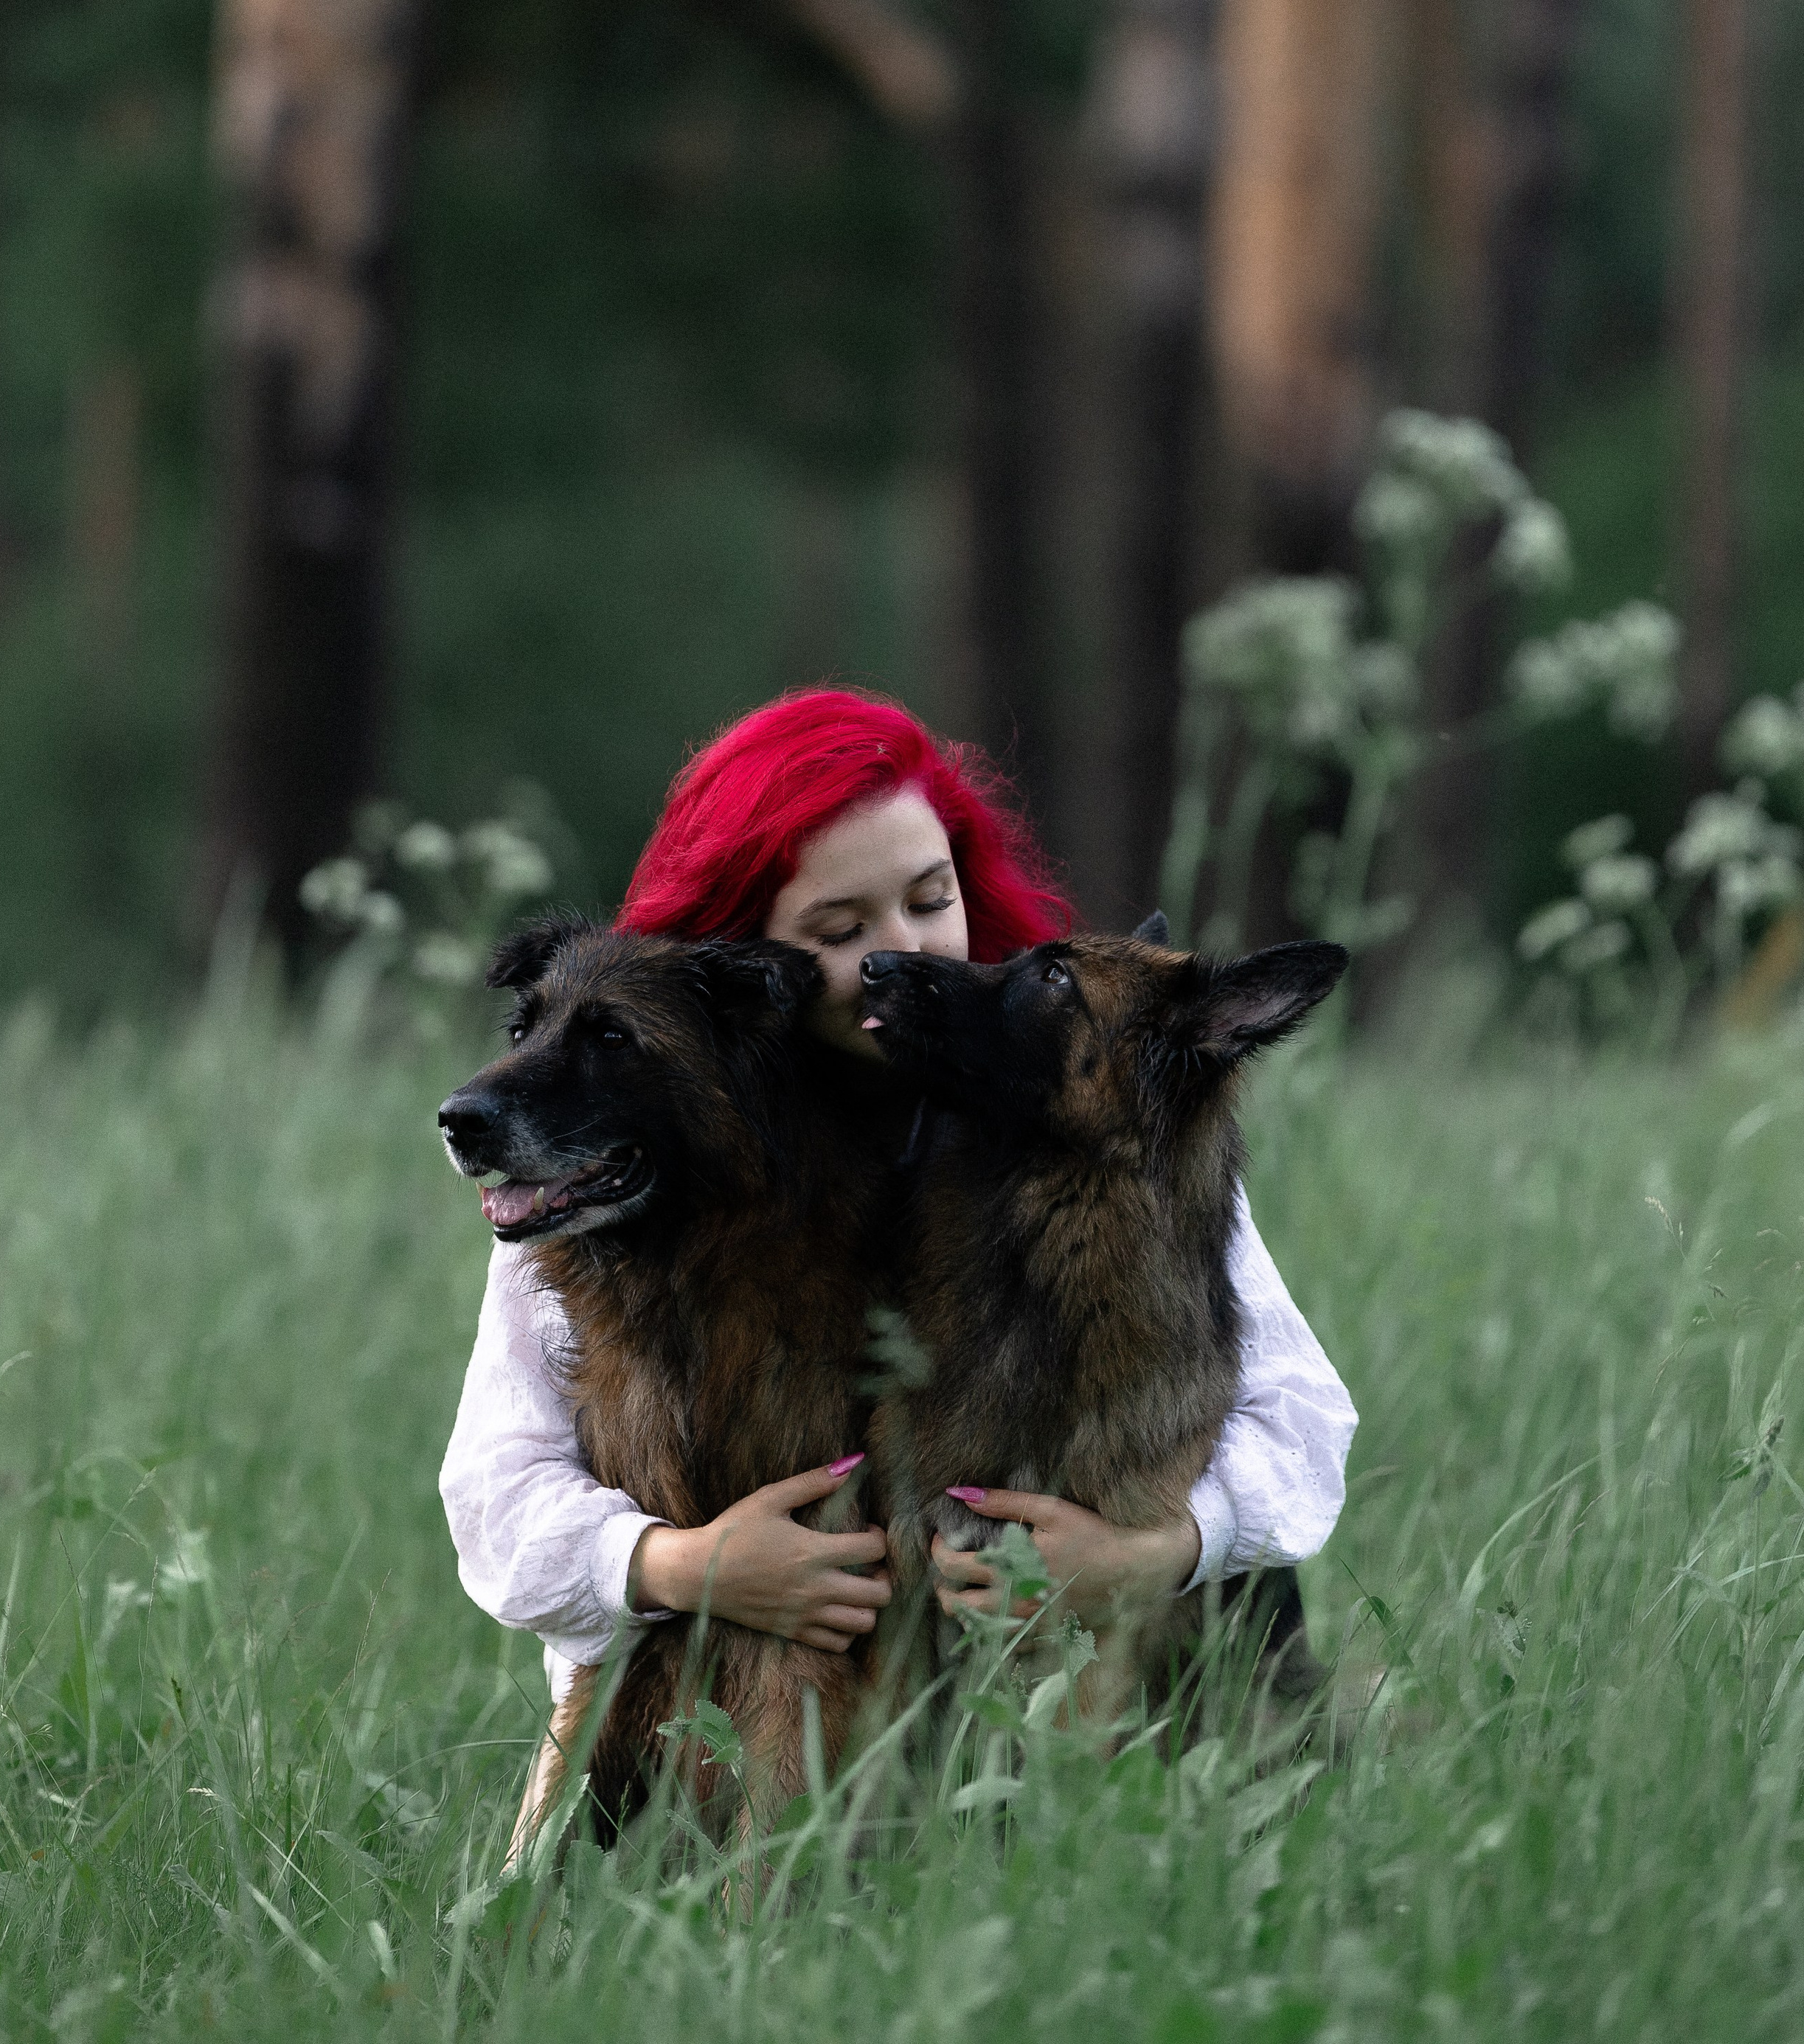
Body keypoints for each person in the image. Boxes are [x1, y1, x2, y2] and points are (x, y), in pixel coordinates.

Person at [440, 687, 1356, 1725]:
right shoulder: (611, 1153)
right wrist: (681, 1564)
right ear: (747, 962)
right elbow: (495, 1488)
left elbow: (1301, 1415)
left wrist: (1151, 1554)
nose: (907, 947)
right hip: (716, 1717)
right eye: (840, 926)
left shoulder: (1088, 1117)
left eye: (930, 898)